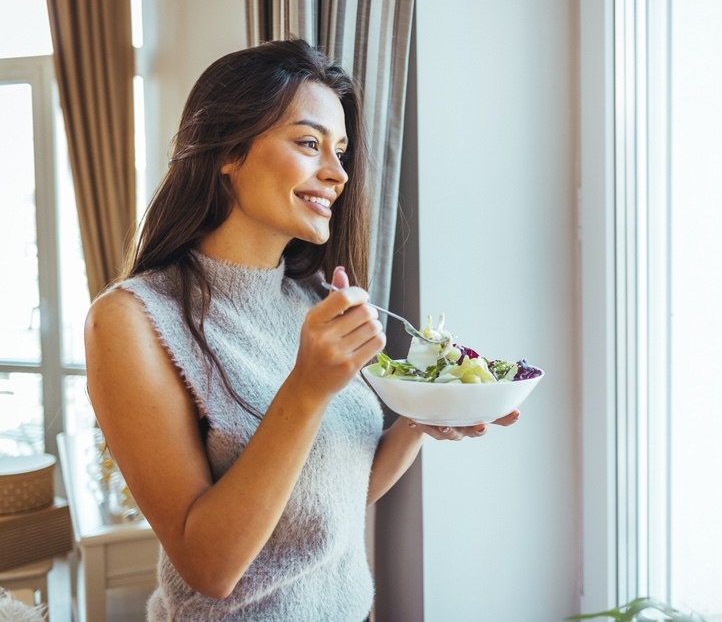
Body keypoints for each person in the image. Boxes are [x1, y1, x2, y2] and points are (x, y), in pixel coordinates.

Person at [83, 39, 518, 621]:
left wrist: (422, 416)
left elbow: (329, 498)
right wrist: (307, 386)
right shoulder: (132, 320)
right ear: (227, 152)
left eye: (340, 151)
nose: (337, 174)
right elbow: (209, 568)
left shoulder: (311, 301)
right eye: (310, 143)